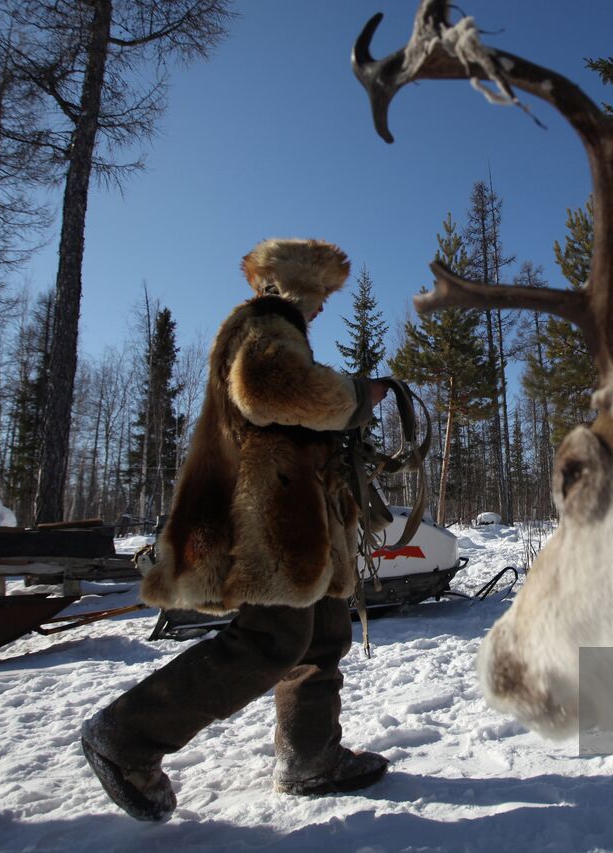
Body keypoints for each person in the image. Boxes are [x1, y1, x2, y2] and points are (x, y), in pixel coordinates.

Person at [81, 237, 390, 821]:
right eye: (320, 294)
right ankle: (127, 737)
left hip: (300, 514)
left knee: (322, 632)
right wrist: (356, 395)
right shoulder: (266, 323)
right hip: (269, 515)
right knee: (271, 639)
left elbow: (286, 403)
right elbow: (269, 389)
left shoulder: (274, 330)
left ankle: (310, 757)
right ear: (299, 286)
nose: (324, 307)